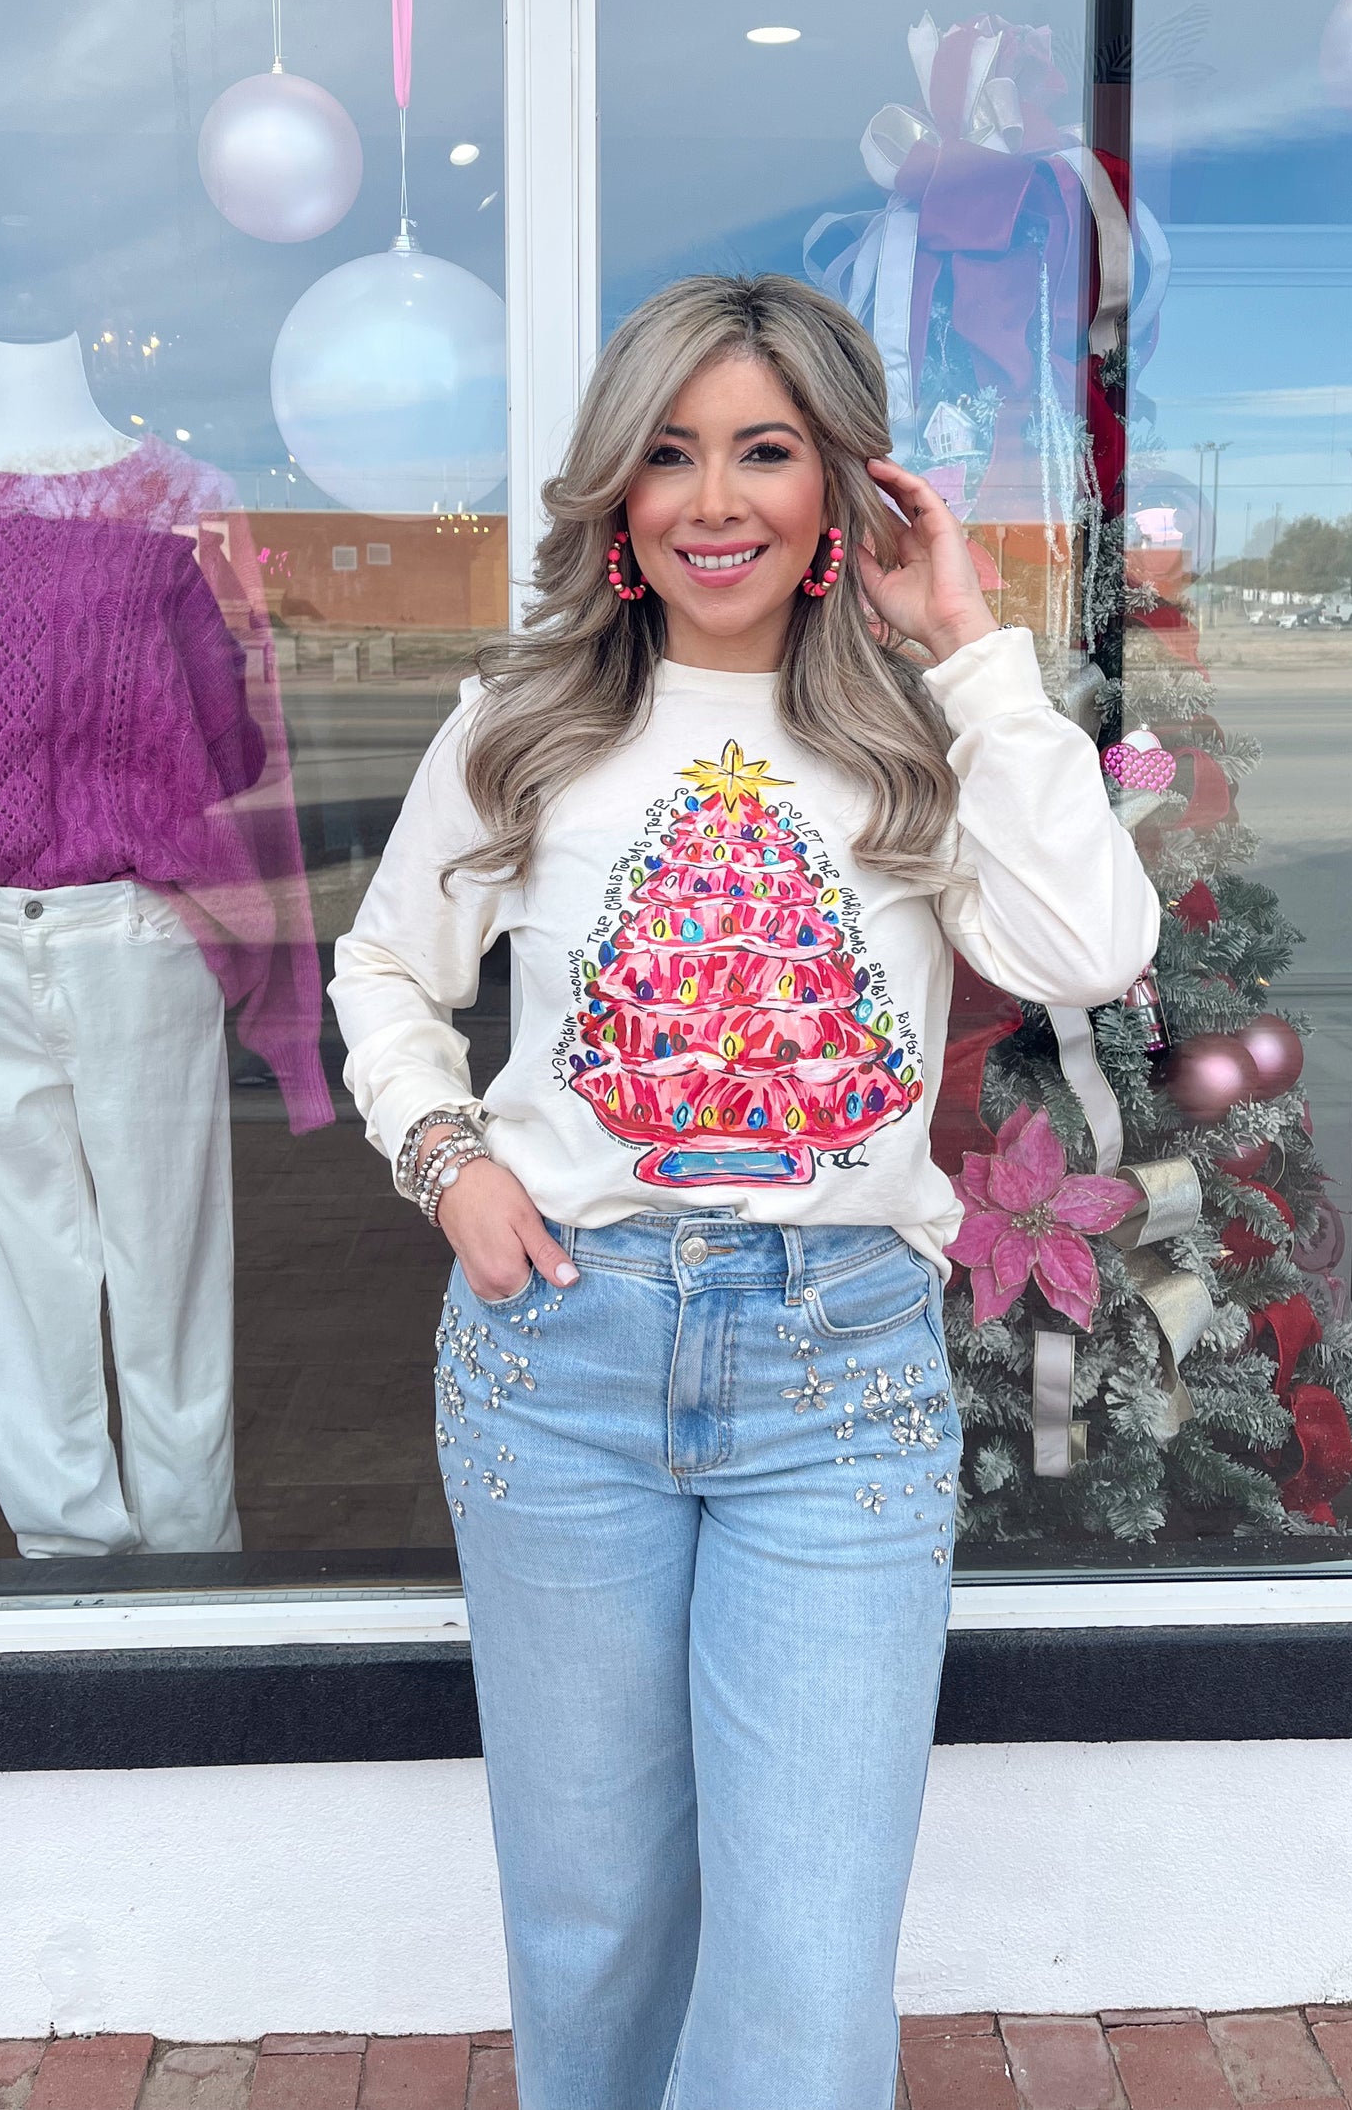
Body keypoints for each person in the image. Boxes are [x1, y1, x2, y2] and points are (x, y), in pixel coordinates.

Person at [331, 273, 1158, 2110]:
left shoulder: (917, 735)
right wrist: (447, 1159)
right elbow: (385, 968)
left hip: (835, 1377)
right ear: (616, 493)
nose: (714, 501)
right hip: (559, 1359)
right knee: (595, 1924)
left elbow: (1091, 950)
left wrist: (971, 647)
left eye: (764, 452)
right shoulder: (523, 722)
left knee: (805, 1955)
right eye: (670, 454)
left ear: (838, 484)